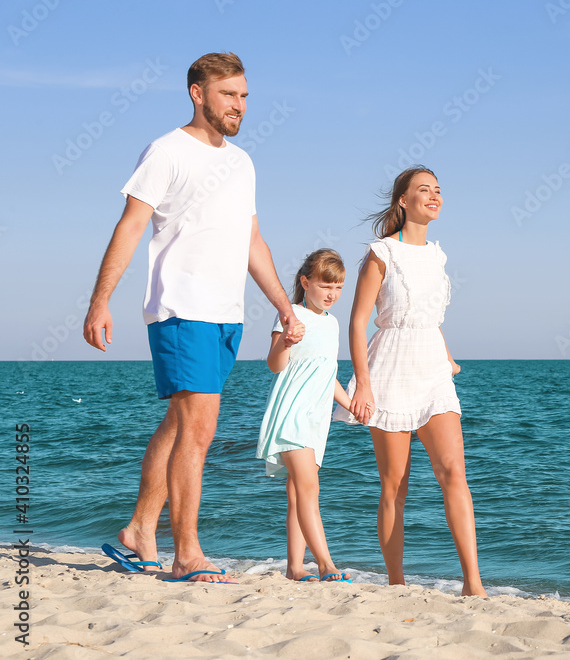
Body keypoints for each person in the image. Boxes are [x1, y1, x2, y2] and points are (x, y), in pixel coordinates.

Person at [83, 52, 301, 584]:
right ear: (197, 94)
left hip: (226, 314)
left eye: (244, 95)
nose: (239, 105)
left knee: (181, 424)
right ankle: (186, 554)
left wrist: (282, 304)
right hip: (182, 308)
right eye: (229, 94)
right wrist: (99, 300)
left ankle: (139, 529)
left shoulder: (242, 162)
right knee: (199, 430)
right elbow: (131, 226)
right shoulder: (166, 151)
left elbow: (252, 241)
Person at [333, 166, 486, 596]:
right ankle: (396, 582)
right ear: (403, 200)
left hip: (433, 369)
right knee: (395, 486)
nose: (434, 196)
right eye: (424, 190)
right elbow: (358, 322)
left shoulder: (438, 256)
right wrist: (363, 384)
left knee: (453, 472)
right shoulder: (381, 253)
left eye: (438, 190)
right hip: (390, 369)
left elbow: (429, 317)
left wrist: (448, 357)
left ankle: (473, 583)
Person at [257, 249, 360, 582]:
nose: (332, 294)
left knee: (296, 493)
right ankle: (326, 564)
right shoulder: (292, 315)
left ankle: (295, 567)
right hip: (293, 413)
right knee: (308, 490)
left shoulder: (332, 323)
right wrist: (286, 342)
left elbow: (326, 373)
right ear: (305, 282)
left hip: (317, 419)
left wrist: (351, 404)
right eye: (325, 286)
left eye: (338, 287)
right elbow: (275, 365)